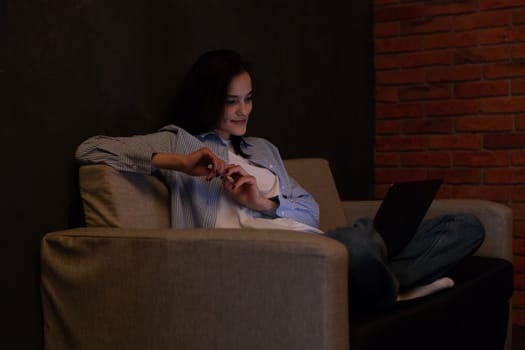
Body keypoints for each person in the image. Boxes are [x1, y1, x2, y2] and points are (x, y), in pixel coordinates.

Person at [76, 49, 484, 310]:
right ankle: (379, 280)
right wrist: (178, 163)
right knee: (360, 241)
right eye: (231, 101)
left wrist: (261, 203)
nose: (243, 111)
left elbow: (311, 210)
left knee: (465, 227)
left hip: (315, 245)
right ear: (207, 99)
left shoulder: (263, 150)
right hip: (266, 263)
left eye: (249, 98)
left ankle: (375, 283)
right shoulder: (180, 141)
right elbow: (92, 150)